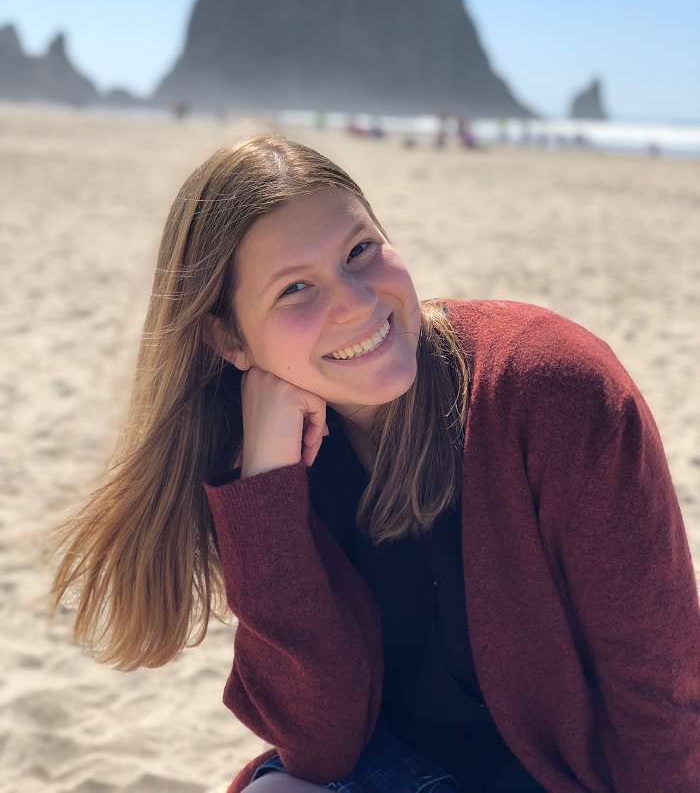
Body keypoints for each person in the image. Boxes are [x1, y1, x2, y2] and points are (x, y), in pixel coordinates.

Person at [52, 135, 700, 792]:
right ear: (227, 336)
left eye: (360, 249)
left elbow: (659, 692)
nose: (358, 302)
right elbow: (316, 743)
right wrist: (266, 493)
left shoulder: (553, 389)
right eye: (296, 287)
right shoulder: (253, 450)